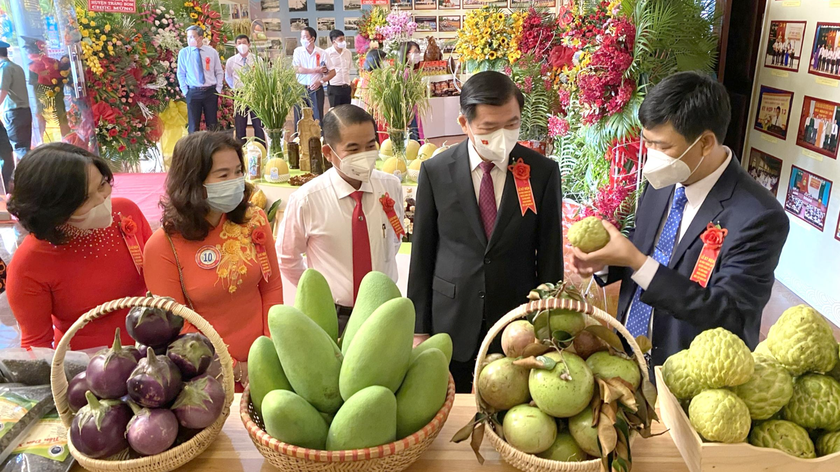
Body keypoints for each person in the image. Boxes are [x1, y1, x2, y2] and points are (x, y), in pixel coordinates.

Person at [571, 71, 790, 370]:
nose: (652, 156)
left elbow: (730, 315)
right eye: (648, 142)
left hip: (688, 371)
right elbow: (644, 240)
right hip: (626, 352)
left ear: (705, 143)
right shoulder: (668, 177)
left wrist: (636, 261)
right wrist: (608, 261)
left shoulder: (758, 217)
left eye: (663, 146)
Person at [408, 71, 564, 392]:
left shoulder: (542, 172)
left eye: (511, 124)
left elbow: (550, 255)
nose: (502, 136)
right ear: (464, 124)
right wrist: (419, 329)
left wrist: (548, 324)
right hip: (451, 317)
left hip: (516, 320)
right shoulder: (436, 171)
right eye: (489, 128)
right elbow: (422, 253)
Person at [143, 132, 283, 386]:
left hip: (263, 362)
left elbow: (271, 286)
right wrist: (231, 368)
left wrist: (269, 349)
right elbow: (176, 325)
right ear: (193, 181)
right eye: (223, 175)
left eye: (238, 171)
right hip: (204, 373)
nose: (235, 181)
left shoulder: (254, 220)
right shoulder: (163, 245)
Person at [7, 143, 153, 350]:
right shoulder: (29, 263)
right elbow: (36, 345)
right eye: (85, 198)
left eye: (102, 184)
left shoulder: (125, 212)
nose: (102, 198)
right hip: (88, 367)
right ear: (53, 209)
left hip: (153, 347)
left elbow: (159, 278)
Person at [277, 105, 403, 333]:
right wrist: (317, 295)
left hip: (384, 310)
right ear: (328, 153)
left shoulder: (390, 186)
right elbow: (287, 258)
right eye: (353, 149)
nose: (365, 155)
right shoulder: (307, 199)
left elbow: (393, 241)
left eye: (370, 146)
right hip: (334, 316)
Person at [177, 25, 224, 133]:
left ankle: (213, 149)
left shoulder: (211, 52)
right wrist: (185, 91)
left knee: (212, 126)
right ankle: (193, 149)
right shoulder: (184, 53)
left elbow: (219, 71)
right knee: (193, 127)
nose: (190, 39)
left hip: (210, 92)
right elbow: (181, 73)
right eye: (188, 37)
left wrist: (218, 88)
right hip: (193, 92)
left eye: (193, 36)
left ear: (201, 37)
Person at [225, 34, 265, 145]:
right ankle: (241, 150)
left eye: (244, 42)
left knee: (258, 124)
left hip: (255, 94)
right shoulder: (231, 61)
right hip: (239, 94)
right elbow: (228, 77)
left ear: (249, 44)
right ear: (236, 45)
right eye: (239, 43)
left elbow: (262, 76)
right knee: (240, 125)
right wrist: (236, 88)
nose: (242, 45)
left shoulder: (257, 59)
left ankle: (261, 147)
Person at [293, 27, 332, 131]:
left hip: (316, 88)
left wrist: (321, 81)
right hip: (300, 88)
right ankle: (298, 141)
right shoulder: (298, 51)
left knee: (317, 116)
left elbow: (332, 72)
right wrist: (315, 70)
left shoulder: (322, 53)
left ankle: (319, 141)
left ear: (312, 39)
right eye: (301, 37)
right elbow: (297, 69)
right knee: (299, 116)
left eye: (305, 37)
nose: (302, 39)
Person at [0, 42, 32, 162]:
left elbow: (2, 92)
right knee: (23, 147)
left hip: (13, 113)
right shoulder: (16, 67)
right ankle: (21, 176)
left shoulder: (4, 68)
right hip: (24, 112)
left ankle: (36, 172)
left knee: (19, 148)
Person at [397, 41, 423, 141]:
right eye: (415, 52)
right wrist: (408, 113)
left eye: (418, 52)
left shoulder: (411, 72)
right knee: (413, 139)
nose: (417, 55)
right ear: (406, 54)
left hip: (414, 109)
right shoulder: (405, 72)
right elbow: (403, 94)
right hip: (409, 112)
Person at [324, 29, 353, 108]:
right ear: (333, 41)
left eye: (344, 39)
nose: (343, 41)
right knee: (335, 113)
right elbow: (324, 70)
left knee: (347, 113)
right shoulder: (327, 53)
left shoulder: (348, 52)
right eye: (340, 39)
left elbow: (349, 67)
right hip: (334, 87)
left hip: (346, 87)